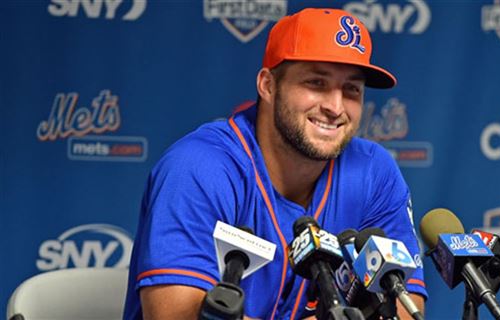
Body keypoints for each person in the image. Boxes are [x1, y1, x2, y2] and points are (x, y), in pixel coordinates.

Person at [124, 7, 427, 320]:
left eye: (351, 89)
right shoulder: (199, 167)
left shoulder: (374, 171)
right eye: (316, 83)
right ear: (268, 85)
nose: (336, 107)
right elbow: (174, 315)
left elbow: (406, 307)